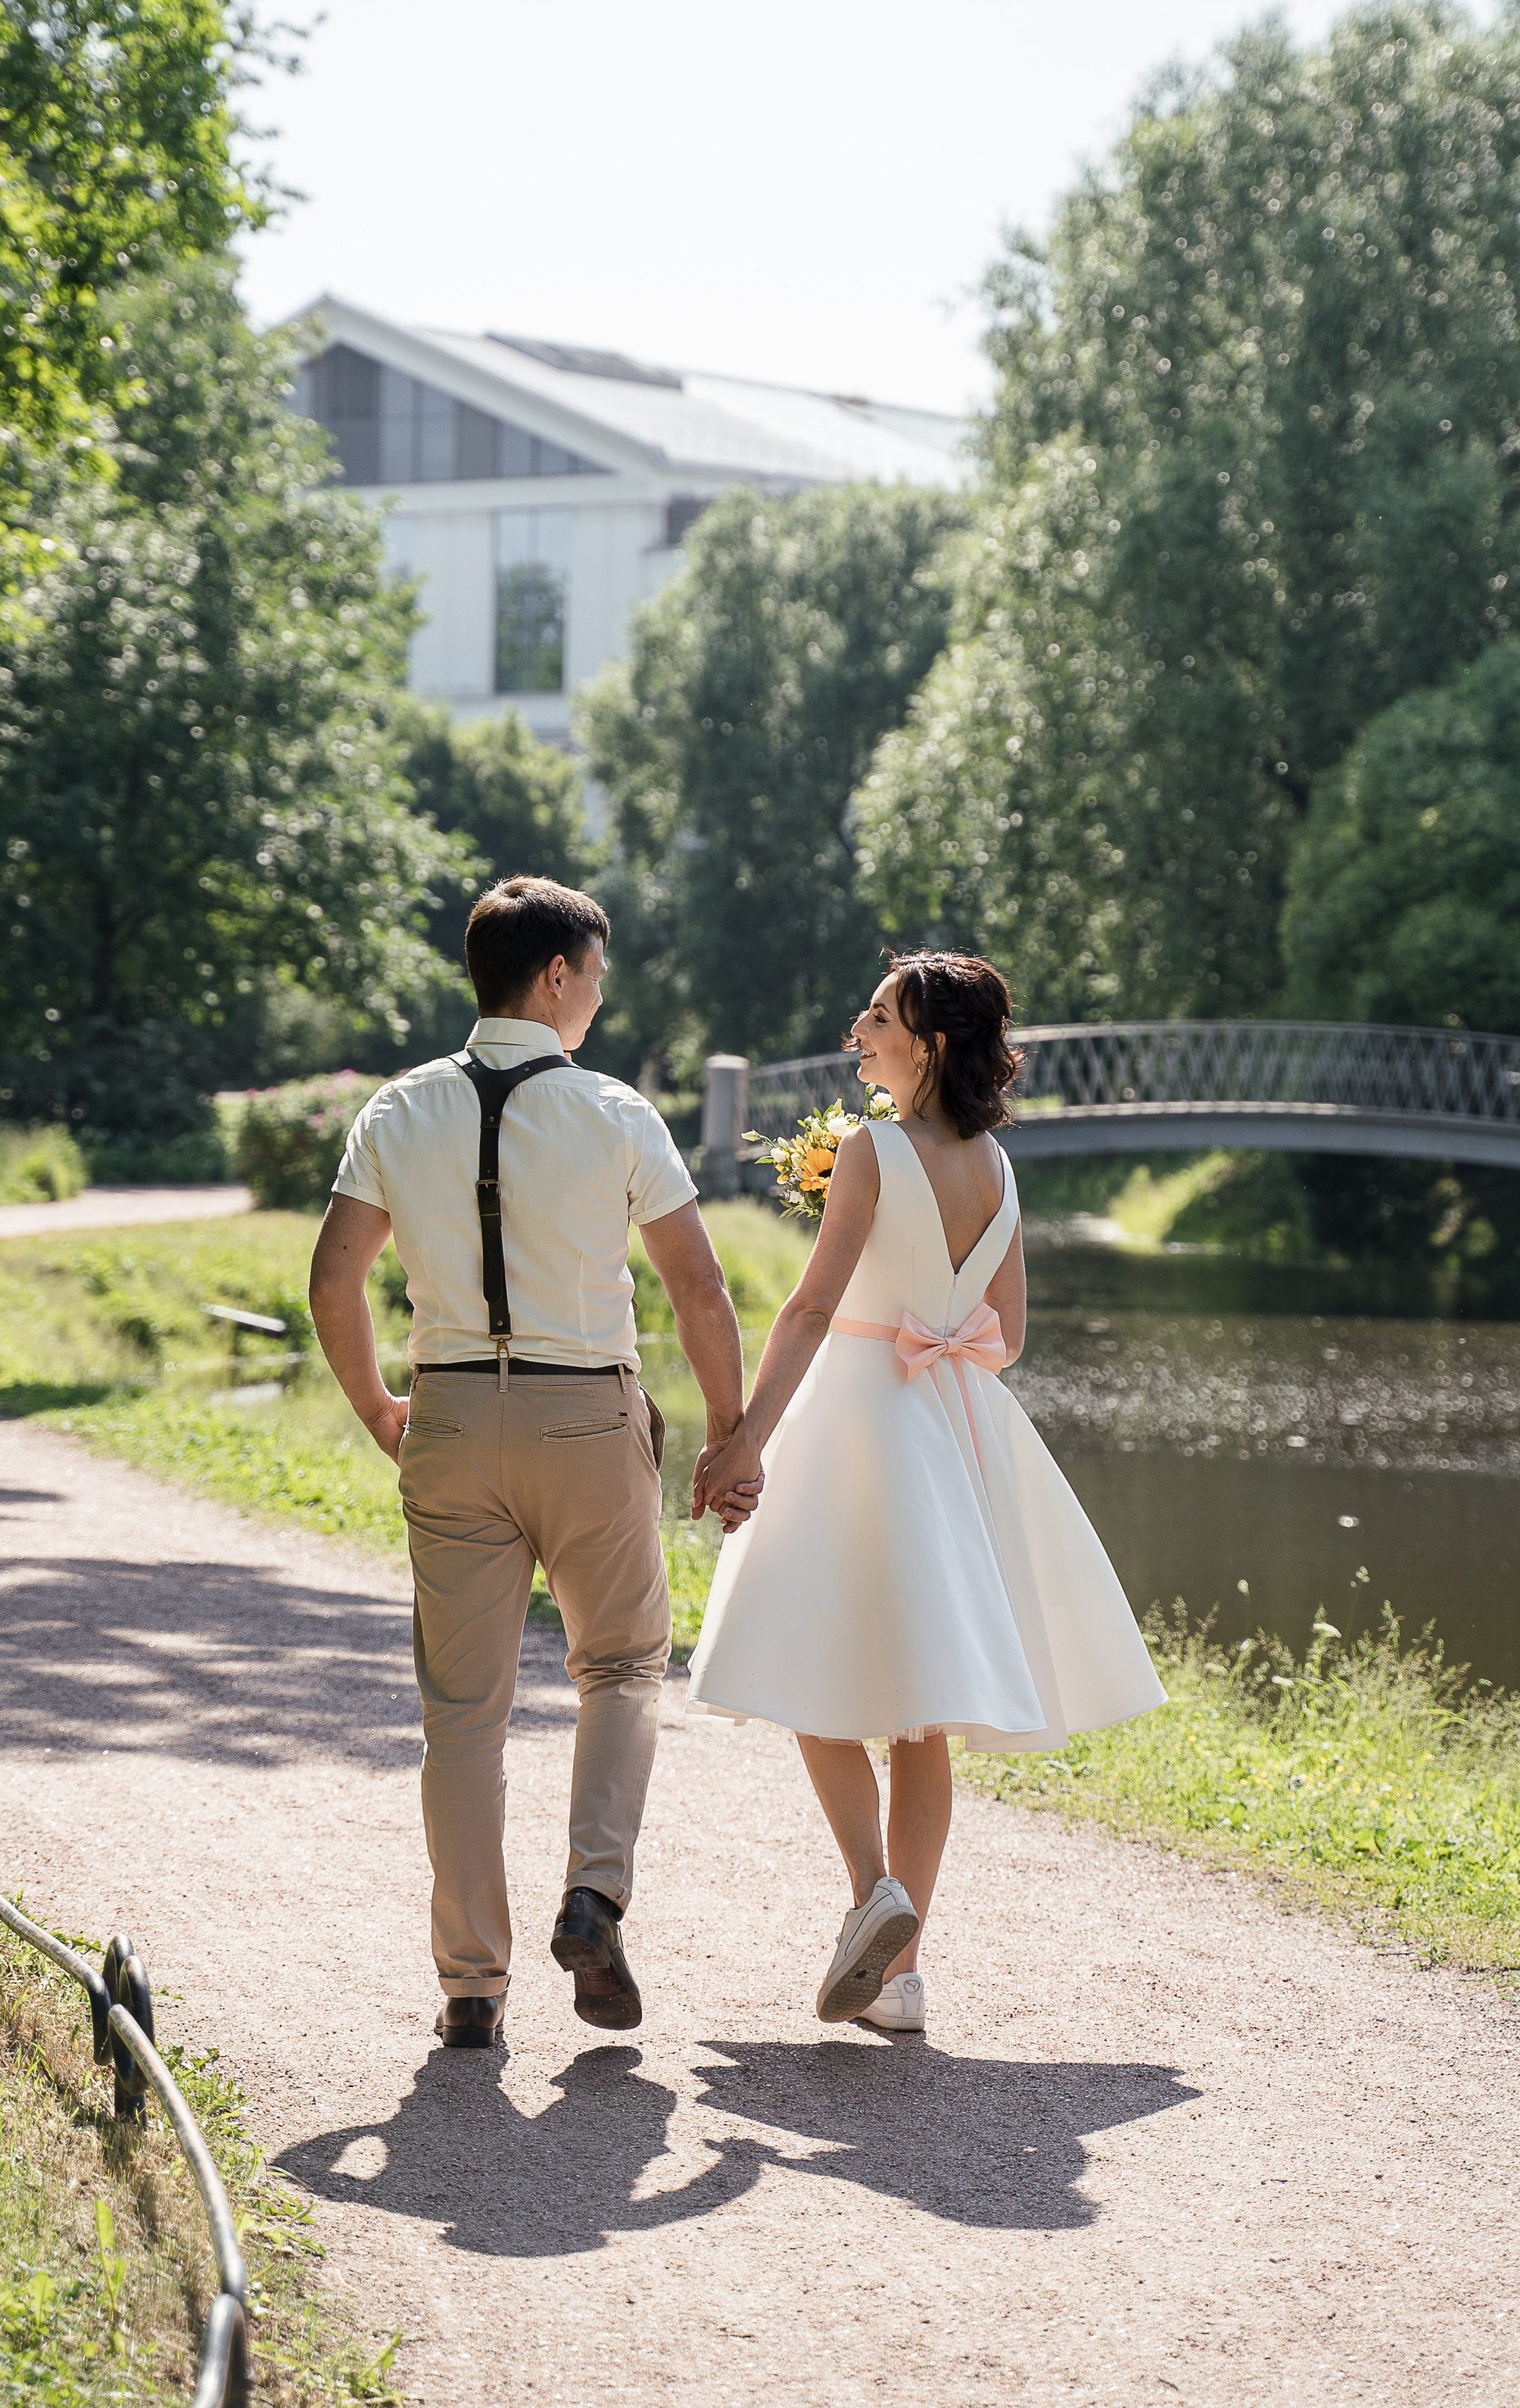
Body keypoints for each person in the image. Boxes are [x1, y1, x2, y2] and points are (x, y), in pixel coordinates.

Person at [309, 876, 753, 2049]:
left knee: (463, 1717)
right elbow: (696, 1285)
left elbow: (333, 1280)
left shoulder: (397, 1110)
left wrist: (378, 1411)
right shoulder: (614, 1113)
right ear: (554, 975)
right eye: (596, 977)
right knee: (619, 1667)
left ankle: (470, 1989)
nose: (600, 1000)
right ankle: (594, 1896)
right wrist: (729, 1428)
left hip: (450, 1419)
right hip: (586, 1423)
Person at [687, 951, 1164, 2033]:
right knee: (922, 1717)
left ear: (930, 1045)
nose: (858, 1031)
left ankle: (874, 1896)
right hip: (952, 1425)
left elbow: (808, 1310)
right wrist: (937, 1343)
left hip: (856, 1412)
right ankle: (903, 1977)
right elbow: (1013, 1336)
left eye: (879, 1017)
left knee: (801, 1664)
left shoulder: (871, 1150)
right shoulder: (996, 1168)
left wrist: (745, 1440)